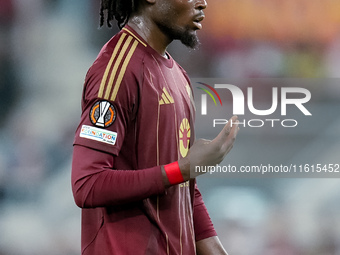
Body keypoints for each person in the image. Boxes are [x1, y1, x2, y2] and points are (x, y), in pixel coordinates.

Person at [71, 0, 239, 254]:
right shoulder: (117, 70)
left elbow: (184, 189)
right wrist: (182, 169)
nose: (203, 3)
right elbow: (87, 184)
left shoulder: (178, 76)